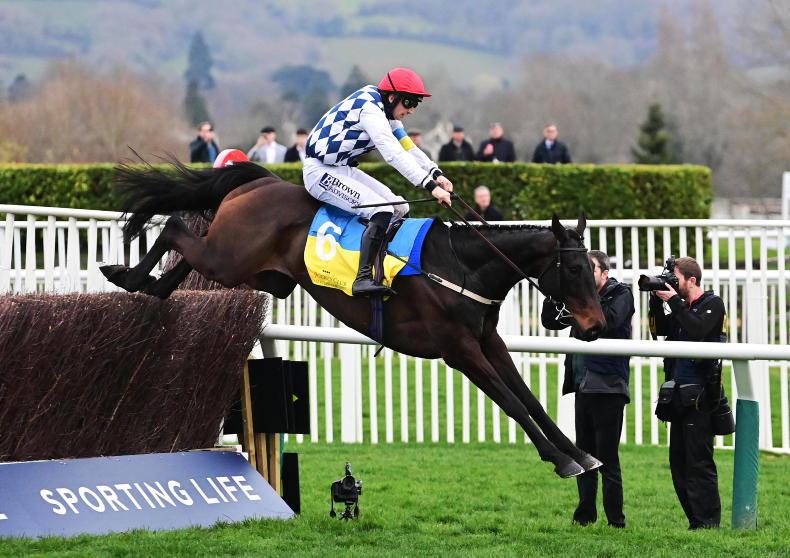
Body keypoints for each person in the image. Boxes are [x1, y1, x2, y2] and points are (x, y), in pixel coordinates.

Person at [303, 67, 453, 297]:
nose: (412, 110)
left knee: (400, 207)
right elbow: (392, 153)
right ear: (392, 97)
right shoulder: (370, 110)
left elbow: (408, 147)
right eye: (409, 102)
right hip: (319, 173)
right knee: (381, 210)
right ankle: (362, 279)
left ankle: (386, 267)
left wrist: (435, 173)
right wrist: (430, 187)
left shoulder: (387, 113)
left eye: (416, 104)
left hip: (341, 169)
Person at [541, 250, 634, 529]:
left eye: (590, 269)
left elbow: (608, 323)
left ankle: (616, 521)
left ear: (605, 273)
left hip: (609, 386)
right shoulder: (580, 297)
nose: (584, 274)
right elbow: (550, 321)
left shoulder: (621, 293)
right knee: (584, 455)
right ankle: (584, 516)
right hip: (583, 385)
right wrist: (554, 294)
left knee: (607, 459)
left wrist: (576, 309)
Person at [649, 256, 726, 530]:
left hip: (701, 397)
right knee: (679, 464)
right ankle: (695, 520)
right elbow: (659, 330)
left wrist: (674, 301)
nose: (672, 284)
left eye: (676, 279)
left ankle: (708, 523)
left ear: (691, 280)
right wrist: (656, 301)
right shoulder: (682, 309)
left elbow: (698, 330)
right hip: (678, 396)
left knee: (698, 463)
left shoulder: (712, 304)